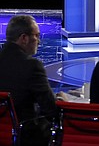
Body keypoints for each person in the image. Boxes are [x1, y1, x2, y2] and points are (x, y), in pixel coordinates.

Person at [0, 15, 57, 146]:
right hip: (25, 135)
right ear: (24, 38)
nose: (39, 41)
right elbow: (50, 109)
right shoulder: (32, 65)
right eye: (36, 36)